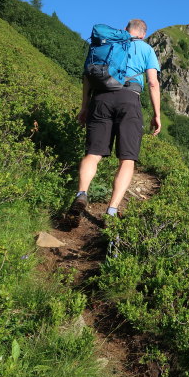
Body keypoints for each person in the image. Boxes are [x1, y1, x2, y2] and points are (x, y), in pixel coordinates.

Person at [67, 19, 161, 225]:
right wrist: (157, 115)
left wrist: (84, 107)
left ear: (126, 30)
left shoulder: (105, 43)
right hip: (129, 100)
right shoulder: (145, 48)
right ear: (143, 34)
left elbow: (86, 77)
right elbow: (153, 83)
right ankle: (111, 211)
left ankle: (81, 194)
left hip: (100, 98)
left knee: (93, 154)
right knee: (127, 159)